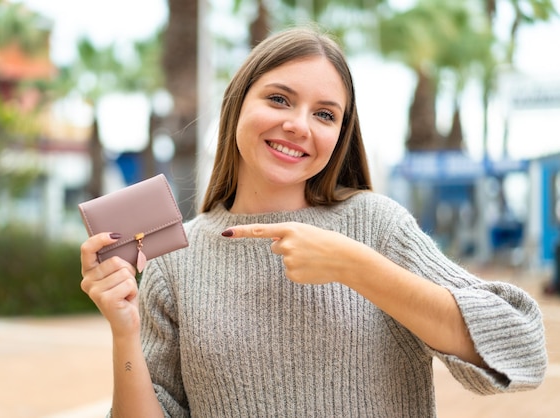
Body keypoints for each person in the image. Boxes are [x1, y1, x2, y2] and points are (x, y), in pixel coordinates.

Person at [80, 26, 547, 417]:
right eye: (280, 99)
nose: (300, 125)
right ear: (237, 103)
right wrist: (124, 332)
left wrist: (356, 266)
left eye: (324, 114)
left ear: (339, 136)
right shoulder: (174, 262)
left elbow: (523, 346)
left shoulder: (377, 226)